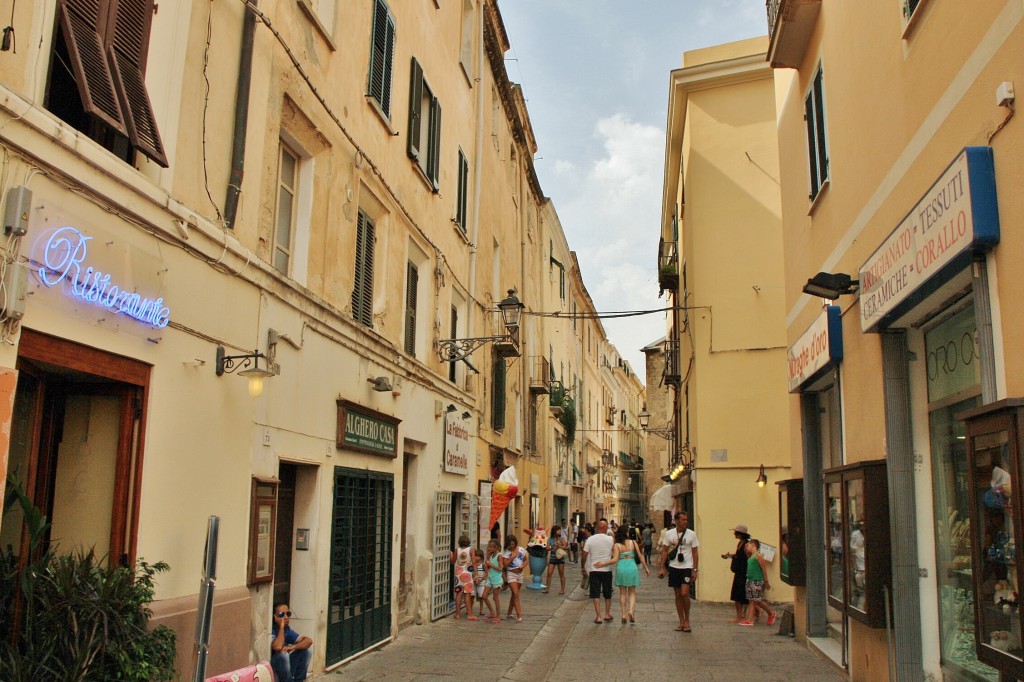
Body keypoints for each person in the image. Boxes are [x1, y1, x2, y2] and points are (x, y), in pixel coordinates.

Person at [595, 524, 650, 623]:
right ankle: (631, 611)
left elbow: (614, 559)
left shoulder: (617, 545)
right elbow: (640, 556)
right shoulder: (633, 542)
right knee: (632, 592)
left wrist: (603, 563)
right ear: (626, 533)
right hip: (632, 567)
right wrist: (646, 567)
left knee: (622, 593)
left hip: (622, 567)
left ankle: (623, 614)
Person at [659, 511, 700, 632]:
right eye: (683, 520)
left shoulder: (691, 534)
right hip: (674, 567)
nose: (685, 522)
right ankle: (681, 621)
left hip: (687, 567)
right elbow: (665, 550)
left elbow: (695, 552)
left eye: (686, 520)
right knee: (677, 595)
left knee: (684, 593)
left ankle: (687, 620)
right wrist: (662, 567)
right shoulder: (669, 534)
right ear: (676, 521)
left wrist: (695, 569)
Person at [582, 519, 615, 624]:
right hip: (606, 569)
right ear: (605, 529)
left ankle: (598, 616)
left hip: (594, 569)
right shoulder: (611, 539)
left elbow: (584, 555)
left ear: (597, 528)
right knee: (607, 593)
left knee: (595, 593)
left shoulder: (590, 539)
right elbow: (614, 553)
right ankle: (607, 614)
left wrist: (583, 567)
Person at [271, 603, 312, 682]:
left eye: (288, 614)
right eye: (281, 614)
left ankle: (299, 680)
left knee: (307, 651)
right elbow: (278, 647)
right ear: (275, 617)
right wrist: (281, 627)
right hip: (273, 669)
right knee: (283, 655)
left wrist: (292, 647)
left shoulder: (287, 630)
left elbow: (308, 641)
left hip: (285, 669)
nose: (286, 617)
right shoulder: (271, 629)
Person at [740, 538, 776, 626]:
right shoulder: (750, 557)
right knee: (751, 601)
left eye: (748, 545)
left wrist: (766, 581)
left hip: (757, 580)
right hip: (750, 580)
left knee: (757, 600)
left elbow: (763, 569)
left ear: (753, 546)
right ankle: (750, 620)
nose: (747, 547)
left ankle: (771, 612)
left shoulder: (758, 556)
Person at [721, 523, 751, 622]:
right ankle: (741, 615)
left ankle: (740, 616)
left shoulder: (746, 544)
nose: (734, 533)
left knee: (740, 595)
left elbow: (748, 558)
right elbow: (739, 555)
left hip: (743, 572)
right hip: (739, 571)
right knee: (739, 594)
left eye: (736, 532)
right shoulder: (740, 543)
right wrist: (730, 556)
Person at [450, 534, 476, 620]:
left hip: (459, 573)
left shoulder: (457, 550)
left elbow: (453, 561)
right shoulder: (471, 550)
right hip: (467, 573)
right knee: (467, 594)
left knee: (459, 594)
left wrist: (451, 555)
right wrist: (476, 573)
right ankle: (469, 614)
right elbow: (474, 562)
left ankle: (457, 614)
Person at [502, 535, 527, 621]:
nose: (512, 546)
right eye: (510, 544)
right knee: (516, 594)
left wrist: (523, 566)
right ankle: (519, 615)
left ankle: (509, 612)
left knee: (514, 594)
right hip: (511, 573)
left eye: (513, 544)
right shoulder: (506, 553)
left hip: (520, 574)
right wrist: (512, 556)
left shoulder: (521, 550)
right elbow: (505, 565)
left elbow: (526, 559)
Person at [483, 539, 503, 622]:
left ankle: (498, 616)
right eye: (489, 547)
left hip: (496, 579)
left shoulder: (499, 556)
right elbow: (487, 565)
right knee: (484, 596)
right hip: (490, 577)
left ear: (496, 547)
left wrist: (491, 564)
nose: (489, 548)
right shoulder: (490, 556)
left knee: (495, 597)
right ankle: (492, 612)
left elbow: (500, 568)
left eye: (491, 547)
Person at [544, 524, 568, 594]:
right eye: (558, 530)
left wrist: (559, 546)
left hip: (560, 557)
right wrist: (552, 547)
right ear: (555, 531)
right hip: (552, 557)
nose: (560, 531)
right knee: (549, 573)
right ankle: (547, 588)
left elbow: (565, 546)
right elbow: (547, 548)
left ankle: (562, 589)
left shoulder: (561, 538)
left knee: (561, 573)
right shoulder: (550, 539)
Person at [472, 548, 488, 617]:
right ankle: (470, 609)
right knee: (472, 596)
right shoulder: (473, 564)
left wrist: (481, 579)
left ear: (481, 557)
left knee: (481, 597)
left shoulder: (483, 565)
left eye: (477, 556)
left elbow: (486, 573)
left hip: (481, 583)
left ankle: (481, 609)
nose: (475, 557)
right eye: (475, 556)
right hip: (473, 582)